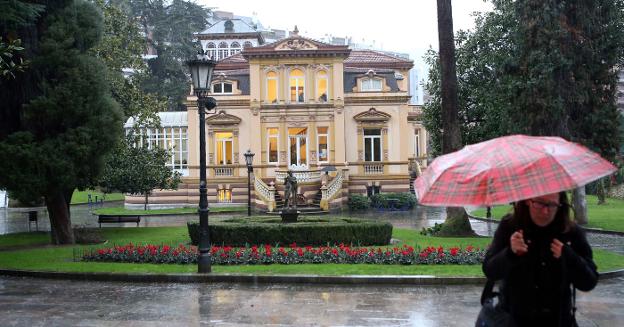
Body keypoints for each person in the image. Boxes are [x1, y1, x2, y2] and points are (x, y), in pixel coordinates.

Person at [482, 191, 598, 326]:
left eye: (552, 204)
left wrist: (570, 257)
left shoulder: (570, 232)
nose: (545, 211)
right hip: (514, 319)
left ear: (560, 204)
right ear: (527, 201)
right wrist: (510, 253)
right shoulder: (509, 226)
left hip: (558, 320)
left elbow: (589, 282)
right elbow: (489, 270)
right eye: (539, 203)